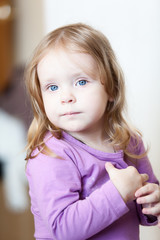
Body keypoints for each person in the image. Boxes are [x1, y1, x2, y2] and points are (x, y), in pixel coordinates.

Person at [25, 23, 160, 240]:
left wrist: (153, 203)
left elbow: (146, 208)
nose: (66, 96)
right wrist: (118, 191)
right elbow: (64, 230)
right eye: (52, 87)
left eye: (81, 81)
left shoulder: (130, 143)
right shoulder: (50, 155)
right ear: (41, 99)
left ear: (112, 89)